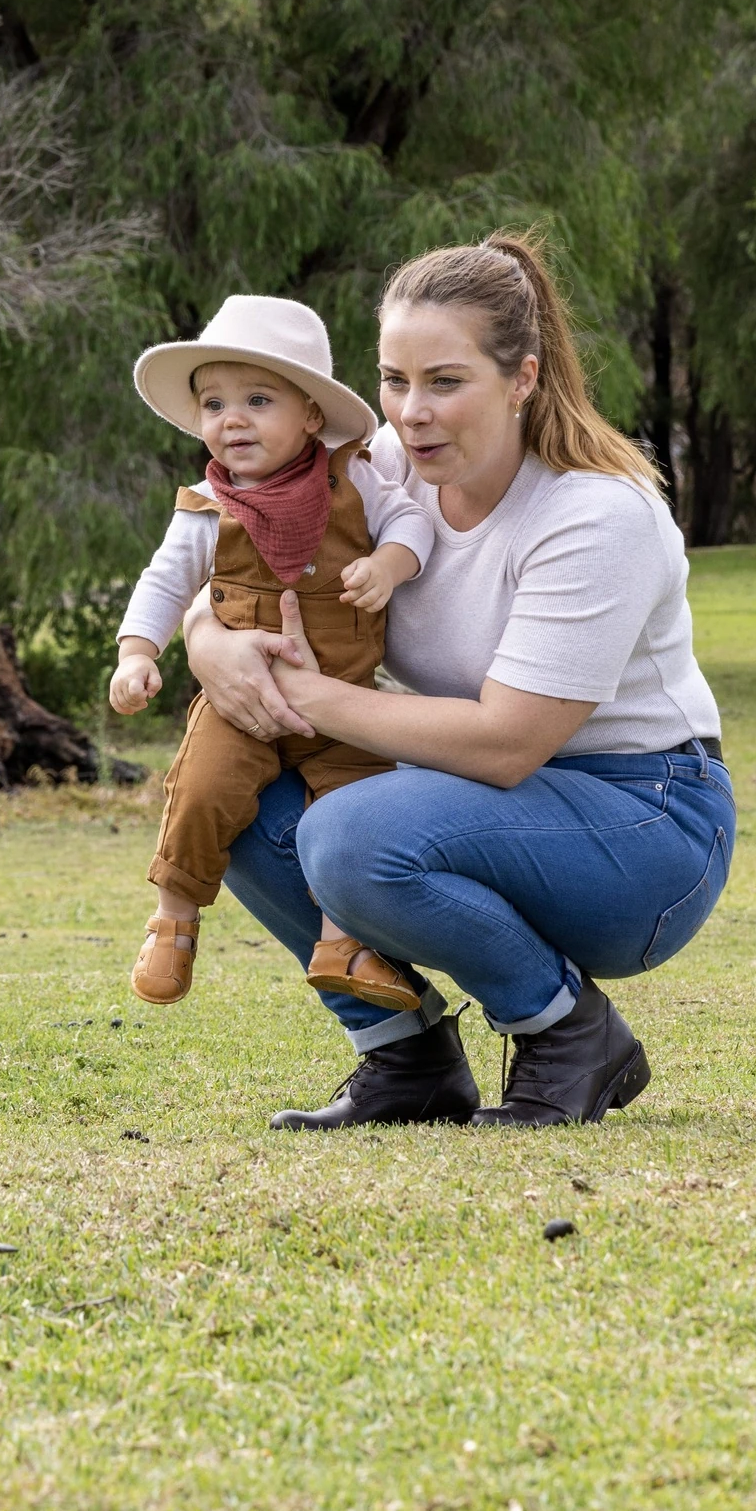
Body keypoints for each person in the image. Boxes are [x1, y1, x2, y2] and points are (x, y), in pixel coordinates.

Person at [179, 234, 734, 1129]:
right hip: (477, 797)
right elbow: (223, 562)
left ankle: (568, 1034)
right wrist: (209, 642)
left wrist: (309, 699)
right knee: (226, 789)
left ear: (522, 377)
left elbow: (508, 744)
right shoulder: (381, 475)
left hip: (646, 825)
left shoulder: (596, 512)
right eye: (393, 381)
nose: (411, 412)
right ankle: (403, 1060)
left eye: (445, 381)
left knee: (348, 833)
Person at [108, 296, 434, 1010]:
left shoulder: (357, 481)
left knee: (358, 818)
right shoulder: (207, 504)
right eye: (215, 402)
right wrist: (137, 653)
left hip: (345, 704)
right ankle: (174, 917)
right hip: (243, 703)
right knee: (203, 788)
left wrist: (390, 566)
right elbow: (165, 580)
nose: (233, 419)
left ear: (312, 415)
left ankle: (344, 942)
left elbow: (411, 520)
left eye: (259, 399)